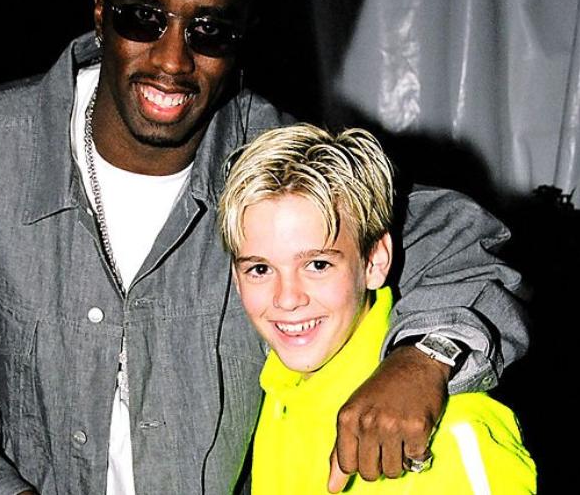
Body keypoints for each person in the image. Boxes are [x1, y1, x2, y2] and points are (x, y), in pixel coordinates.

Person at [0, 0, 530, 495]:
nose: (172, 60)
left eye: (211, 30)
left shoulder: (276, 164)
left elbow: (458, 241)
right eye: (143, 16)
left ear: (243, 39)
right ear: (100, 10)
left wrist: (424, 357)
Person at [218, 124, 536, 494]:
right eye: (260, 269)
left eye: (318, 265)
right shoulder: (278, 393)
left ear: (375, 261)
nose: (287, 298)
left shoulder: (450, 433)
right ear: (236, 277)